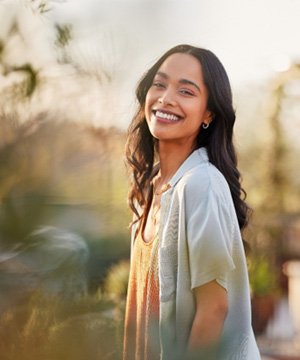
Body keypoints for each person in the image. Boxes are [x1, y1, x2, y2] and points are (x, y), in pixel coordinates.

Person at [123, 44, 261, 360]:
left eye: (186, 91)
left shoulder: (202, 184)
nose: (166, 98)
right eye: (159, 84)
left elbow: (213, 309)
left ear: (208, 114)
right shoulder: (150, 188)